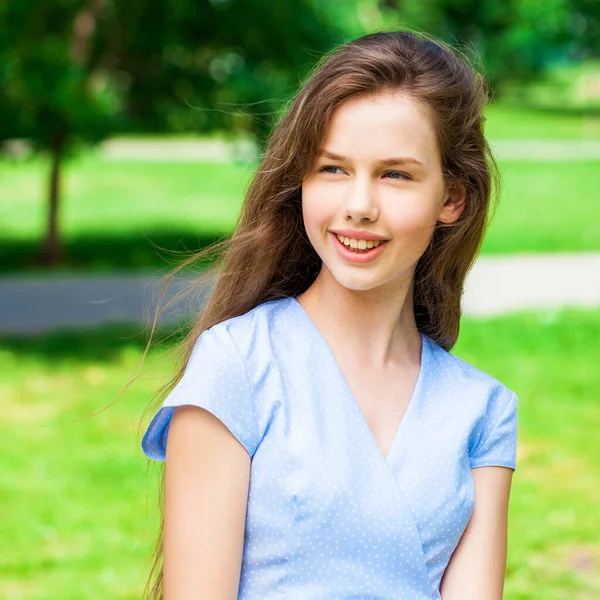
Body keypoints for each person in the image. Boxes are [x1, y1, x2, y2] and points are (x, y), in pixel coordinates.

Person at [140, 30, 518, 600]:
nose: (358, 206)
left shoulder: (482, 410)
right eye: (333, 169)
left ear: (452, 198)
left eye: (396, 174)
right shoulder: (238, 364)